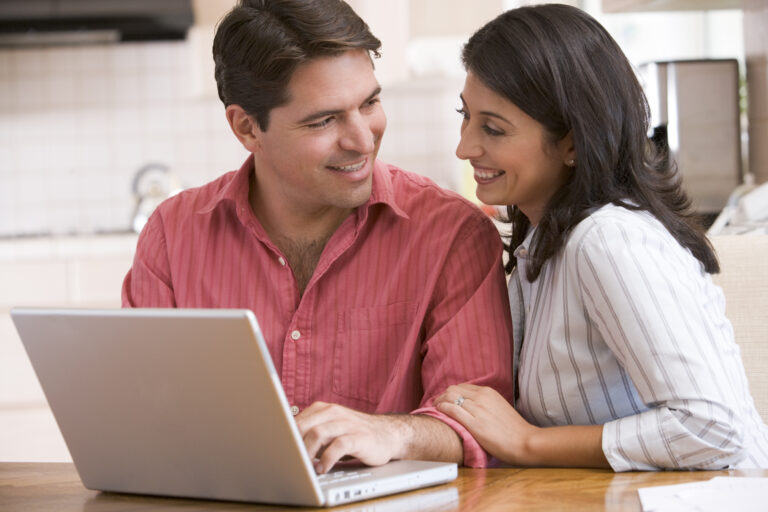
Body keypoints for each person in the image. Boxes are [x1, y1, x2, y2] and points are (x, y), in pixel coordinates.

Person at [121, 0, 514, 473]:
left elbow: (481, 424)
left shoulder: (452, 234)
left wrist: (390, 432)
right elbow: (143, 416)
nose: (363, 140)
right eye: (324, 120)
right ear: (247, 128)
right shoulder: (172, 235)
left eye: (369, 103)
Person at [435, 4, 768, 471]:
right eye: (465, 116)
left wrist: (528, 443)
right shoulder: (542, 248)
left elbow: (710, 427)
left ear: (571, 142)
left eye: (493, 128)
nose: (465, 146)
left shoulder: (608, 240)